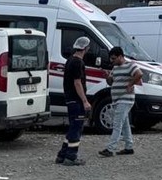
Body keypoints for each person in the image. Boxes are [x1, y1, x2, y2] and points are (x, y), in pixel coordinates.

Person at [99, 46, 142, 158]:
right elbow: (111, 82)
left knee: (117, 123)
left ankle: (110, 148)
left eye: (113, 58)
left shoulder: (130, 65)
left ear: (120, 56)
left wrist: (130, 84)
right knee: (124, 124)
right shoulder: (115, 68)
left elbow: (139, 74)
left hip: (125, 99)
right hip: (117, 99)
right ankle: (129, 146)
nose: (111, 61)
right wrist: (108, 77)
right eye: (111, 59)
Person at [56, 37, 92, 166]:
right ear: (86, 48)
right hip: (76, 100)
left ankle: (62, 154)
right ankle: (71, 156)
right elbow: (77, 83)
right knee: (76, 127)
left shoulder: (70, 60)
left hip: (69, 98)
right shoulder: (78, 62)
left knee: (73, 126)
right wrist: (85, 101)